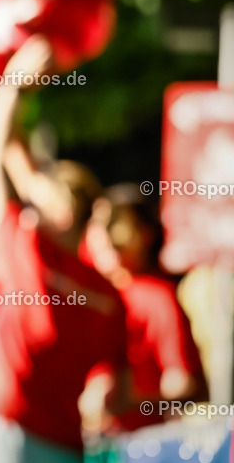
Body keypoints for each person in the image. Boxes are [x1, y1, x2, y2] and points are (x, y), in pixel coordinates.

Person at [0, 36, 129, 463]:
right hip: (67, 461)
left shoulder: (29, 250)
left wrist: (12, 85)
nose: (30, 199)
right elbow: (115, 393)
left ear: (63, 210)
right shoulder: (109, 293)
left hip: (3, 437)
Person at [81, 184, 206, 431]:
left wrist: (129, 404)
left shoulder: (156, 297)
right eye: (98, 224)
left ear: (145, 234)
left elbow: (187, 386)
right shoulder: (90, 295)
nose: (106, 235)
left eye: (117, 226)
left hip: (139, 445)